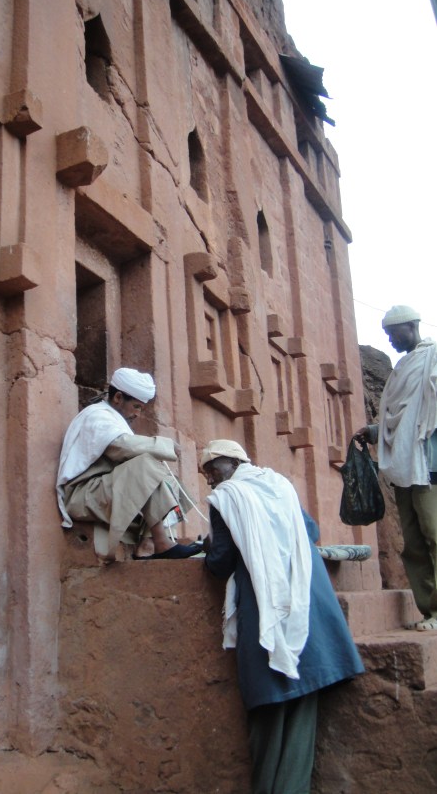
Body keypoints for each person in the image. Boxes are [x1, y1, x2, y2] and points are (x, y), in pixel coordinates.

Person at [201, 439, 364, 794]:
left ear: (224, 466)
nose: (210, 482)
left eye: (210, 472)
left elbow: (219, 564)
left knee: (269, 703)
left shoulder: (227, 498)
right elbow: (310, 531)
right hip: (308, 597)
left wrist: (209, 546)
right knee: (302, 704)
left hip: (267, 608)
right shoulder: (278, 484)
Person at [57, 367, 202, 561]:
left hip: (103, 490)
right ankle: (161, 543)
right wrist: (161, 445)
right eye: (137, 406)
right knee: (146, 465)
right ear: (118, 398)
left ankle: (148, 545)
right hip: (82, 495)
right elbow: (119, 447)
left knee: (167, 479)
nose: (138, 414)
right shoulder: (97, 415)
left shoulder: (113, 419)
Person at [354, 304, 437, 631]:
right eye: (386, 334)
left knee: (434, 534)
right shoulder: (404, 367)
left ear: (412, 326)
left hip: (430, 466)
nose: (389, 340)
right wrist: (374, 432)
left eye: (393, 333)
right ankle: (429, 610)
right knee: (414, 543)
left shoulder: (432, 361)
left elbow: (425, 416)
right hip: (405, 467)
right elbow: (400, 415)